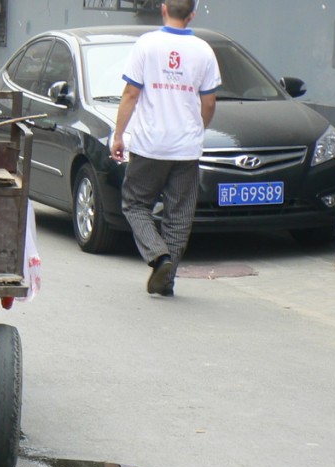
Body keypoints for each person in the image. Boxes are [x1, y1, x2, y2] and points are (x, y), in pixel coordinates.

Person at [110, 0, 220, 297]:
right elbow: (209, 102)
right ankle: (167, 280)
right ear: (192, 14)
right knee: (179, 214)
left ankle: (159, 257)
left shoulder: (146, 45)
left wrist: (118, 135)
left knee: (135, 204)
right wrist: (199, 127)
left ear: (163, 9)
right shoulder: (204, 50)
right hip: (185, 148)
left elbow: (131, 93)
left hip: (149, 145)